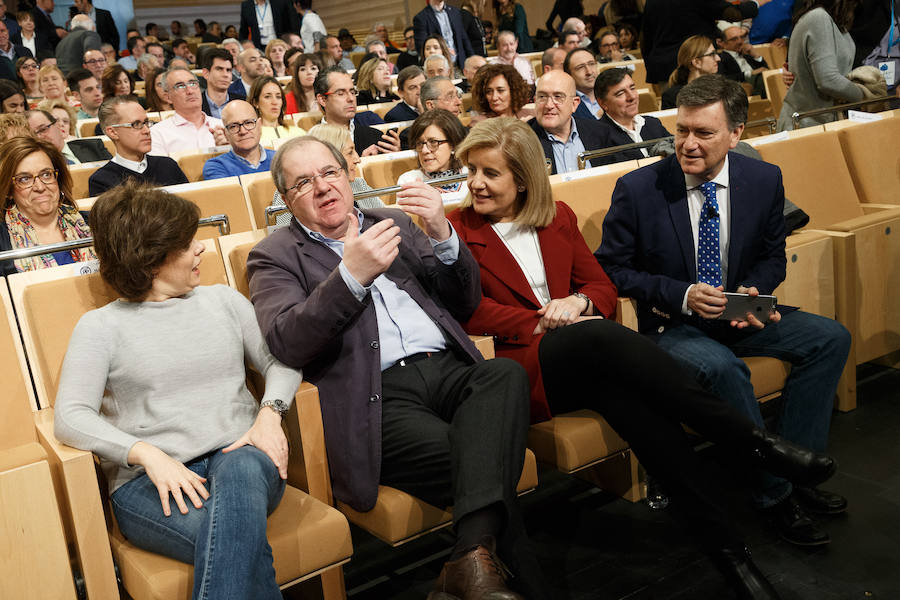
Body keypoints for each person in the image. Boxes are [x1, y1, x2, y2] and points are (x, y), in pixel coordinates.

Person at [448, 115, 845, 600]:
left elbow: (600, 285)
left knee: (660, 434)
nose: (474, 183)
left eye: (489, 173)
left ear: (524, 178)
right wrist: (542, 319)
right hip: (519, 372)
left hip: (587, 361)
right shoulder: (455, 230)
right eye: (471, 171)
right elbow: (464, 310)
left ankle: (732, 557)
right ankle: (751, 440)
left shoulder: (558, 217)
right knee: (596, 338)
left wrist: (578, 302)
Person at [247, 134, 546, 600]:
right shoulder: (274, 255)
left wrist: (442, 233)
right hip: (378, 396)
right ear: (286, 200)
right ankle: (485, 572)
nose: (323, 188)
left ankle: (465, 569)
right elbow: (288, 341)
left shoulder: (391, 222)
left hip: (447, 368)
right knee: (478, 458)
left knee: (504, 374)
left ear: (347, 176)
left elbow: (463, 302)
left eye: (328, 173)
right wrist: (350, 276)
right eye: (303, 183)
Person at [596, 74, 851, 548]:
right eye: (682, 131)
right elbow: (610, 269)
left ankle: (797, 470)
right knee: (723, 369)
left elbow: (773, 254)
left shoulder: (762, 177)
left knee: (830, 338)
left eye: (704, 133)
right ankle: (774, 496)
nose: (688, 144)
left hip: (738, 314)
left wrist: (755, 292)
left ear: (736, 134)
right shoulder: (639, 188)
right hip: (672, 326)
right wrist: (682, 293)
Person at [54, 181, 301, 600]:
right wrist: (146, 453)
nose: (201, 248)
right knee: (239, 544)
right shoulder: (101, 327)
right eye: (187, 243)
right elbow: (71, 416)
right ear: (151, 259)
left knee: (241, 472)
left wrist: (270, 413)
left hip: (241, 453)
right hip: (150, 484)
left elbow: (281, 361)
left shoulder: (223, 301)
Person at [0, 136, 96, 274]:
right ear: (8, 190)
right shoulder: (2, 242)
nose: (40, 187)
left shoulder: (95, 223)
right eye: (24, 179)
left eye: (46, 174)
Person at [269, 122, 385, 226]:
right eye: (350, 152)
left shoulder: (359, 184)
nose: (357, 159)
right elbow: (285, 239)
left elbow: (384, 219)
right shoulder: (292, 193)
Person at [776, 0, 864, 131]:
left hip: (824, 122)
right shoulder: (818, 18)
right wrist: (865, 95)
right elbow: (828, 80)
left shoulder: (831, 20)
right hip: (807, 126)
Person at [641, 0, 762, 84]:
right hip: (695, 67)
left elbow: (645, 39)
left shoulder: (651, 1)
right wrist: (757, 3)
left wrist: (651, 67)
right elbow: (734, 14)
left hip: (663, 68)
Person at [90, 96, 188, 196]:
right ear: (113, 132)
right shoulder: (101, 181)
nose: (147, 130)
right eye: (136, 124)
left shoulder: (168, 165)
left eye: (146, 123)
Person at [528, 70, 608, 173]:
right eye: (542, 97)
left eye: (558, 97)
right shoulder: (522, 141)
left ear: (574, 104)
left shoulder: (600, 132)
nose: (549, 105)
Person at [314, 67, 401, 156]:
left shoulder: (375, 138)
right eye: (341, 93)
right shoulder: (313, 143)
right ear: (322, 100)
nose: (351, 99)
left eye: (352, 92)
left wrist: (395, 157)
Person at [593, 67, 671, 163]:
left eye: (632, 88)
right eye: (620, 93)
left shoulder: (653, 124)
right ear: (603, 103)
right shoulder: (598, 136)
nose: (632, 97)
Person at [150, 67, 227, 156]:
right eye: (180, 86)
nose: (190, 91)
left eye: (193, 83)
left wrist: (227, 151)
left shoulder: (222, 126)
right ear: (168, 97)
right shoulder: (157, 133)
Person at [398, 108, 469, 201]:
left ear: (453, 144)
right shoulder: (409, 180)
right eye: (419, 143)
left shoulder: (470, 176)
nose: (424, 150)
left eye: (433, 142)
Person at [203, 99, 276, 179]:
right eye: (234, 126)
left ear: (259, 126)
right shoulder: (216, 167)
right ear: (226, 133)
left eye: (248, 123)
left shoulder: (280, 159)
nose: (243, 131)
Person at [26, 108, 111, 164]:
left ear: (57, 126)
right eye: (33, 135)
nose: (40, 137)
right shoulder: (37, 164)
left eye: (43, 129)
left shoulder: (93, 146)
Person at [662, 35, 721, 109]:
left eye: (716, 53)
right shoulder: (672, 97)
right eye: (712, 54)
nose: (718, 58)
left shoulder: (723, 89)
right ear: (696, 62)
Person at [413, 0, 473, 71]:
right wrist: (446, 50)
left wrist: (472, 58)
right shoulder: (421, 18)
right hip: (438, 67)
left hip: (459, 65)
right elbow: (422, 45)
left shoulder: (455, 12)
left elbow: (463, 38)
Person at [247, 75, 304, 142]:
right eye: (267, 97)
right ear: (255, 103)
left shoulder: (298, 133)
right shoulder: (250, 137)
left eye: (278, 97)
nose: (275, 102)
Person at [201, 48, 243, 119]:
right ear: (206, 73)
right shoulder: (195, 105)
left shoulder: (242, 103)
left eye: (228, 70)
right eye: (219, 69)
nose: (225, 74)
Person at [564, 48, 601, 119]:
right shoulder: (567, 105)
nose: (589, 72)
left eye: (591, 64)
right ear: (569, 75)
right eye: (580, 67)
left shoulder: (610, 93)